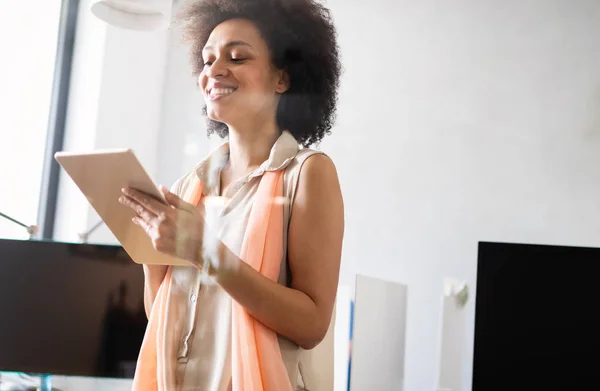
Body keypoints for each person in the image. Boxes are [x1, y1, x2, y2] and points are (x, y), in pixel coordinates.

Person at [118, 0, 344, 390]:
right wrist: (152, 263)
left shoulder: (307, 174)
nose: (214, 71)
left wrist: (204, 251)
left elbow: (311, 325)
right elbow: (167, 322)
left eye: (237, 57)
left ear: (283, 79)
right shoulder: (190, 185)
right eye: (207, 61)